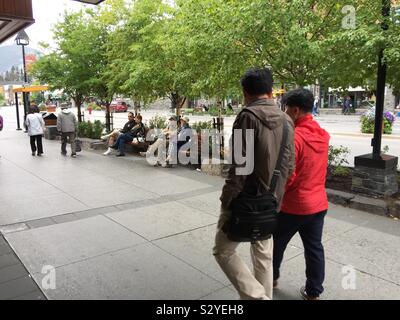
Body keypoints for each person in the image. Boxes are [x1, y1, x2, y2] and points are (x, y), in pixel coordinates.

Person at [213, 68, 295, 300]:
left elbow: (240, 167)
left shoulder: (247, 116)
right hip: (271, 201)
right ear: (271, 90)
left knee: (223, 251)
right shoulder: (288, 120)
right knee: (263, 256)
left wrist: (227, 199)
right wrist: (275, 195)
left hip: (244, 200)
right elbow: (290, 166)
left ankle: (258, 297)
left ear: (245, 91)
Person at [273, 88, 330, 300]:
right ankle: (313, 292)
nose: (284, 112)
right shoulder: (322, 135)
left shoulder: (294, 138)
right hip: (318, 204)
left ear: (295, 110)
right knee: (314, 249)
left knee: (276, 243)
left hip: (294, 205)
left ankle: (271, 278)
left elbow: (288, 176)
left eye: (285, 108)